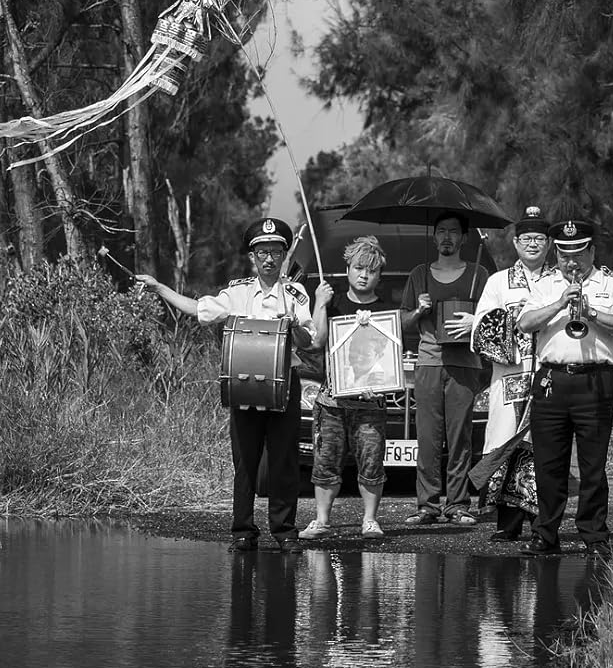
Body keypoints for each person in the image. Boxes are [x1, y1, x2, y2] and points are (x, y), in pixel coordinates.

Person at [138, 216, 315, 554]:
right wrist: (160, 288)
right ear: (252, 257)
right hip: (245, 387)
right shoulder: (237, 293)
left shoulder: (296, 294)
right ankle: (243, 531)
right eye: (261, 252)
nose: (268, 259)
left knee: (284, 461)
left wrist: (295, 327)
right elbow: (198, 309)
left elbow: (309, 341)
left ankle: (285, 531)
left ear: (283, 255)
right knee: (245, 462)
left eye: (275, 252)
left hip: (285, 385)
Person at [515, 218, 613, 558]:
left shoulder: (611, 285)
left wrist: (592, 312)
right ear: (557, 254)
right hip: (552, 380)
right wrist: (558, 304)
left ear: (592, 251)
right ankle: (546, 533)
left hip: (595, 380)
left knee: (592, 464)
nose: (572, 262)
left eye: (579, 254)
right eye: (565, 254)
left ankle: (594, 535)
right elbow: (524, 323)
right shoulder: (545, 285)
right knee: (548, 463)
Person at [459, 205, 553, 542]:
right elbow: (481, 327)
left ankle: (541, 522)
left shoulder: (559, 281)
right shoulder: (499, 282)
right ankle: (507, 522)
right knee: (505, 443)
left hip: (547, 374)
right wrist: (516, 325)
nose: (532, 244)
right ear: (515, 243)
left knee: (542, 445)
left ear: (549, 243)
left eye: (539, 238)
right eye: (526, 238)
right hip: (511, 373)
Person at [299, 236, 391, 541]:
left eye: (371, 270)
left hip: (370, 403)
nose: (364, 275)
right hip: (331, 403)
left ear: (379, 275)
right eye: (358, 268)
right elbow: (317, 341)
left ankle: (370, 520)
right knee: (326, 462)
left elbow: (386, 358)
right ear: (347, 269)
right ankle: (322, 520)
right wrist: (320, 304)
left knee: (371, 462)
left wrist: (377, 385)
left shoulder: (386, 310)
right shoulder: (333, 301)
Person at [400, 211, 489, 525]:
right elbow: (403, 322)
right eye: (441, 231)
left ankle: (458, 505)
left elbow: (491, 320)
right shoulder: (419, 274)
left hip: (464, 363)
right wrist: (418, 310)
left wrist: (474, 320)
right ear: (434, 236)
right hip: (428, 361)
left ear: (464, 237)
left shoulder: (479, 274)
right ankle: (427, 505)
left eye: (453, 231)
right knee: (427, 438)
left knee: (459, 437)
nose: (447, 237)